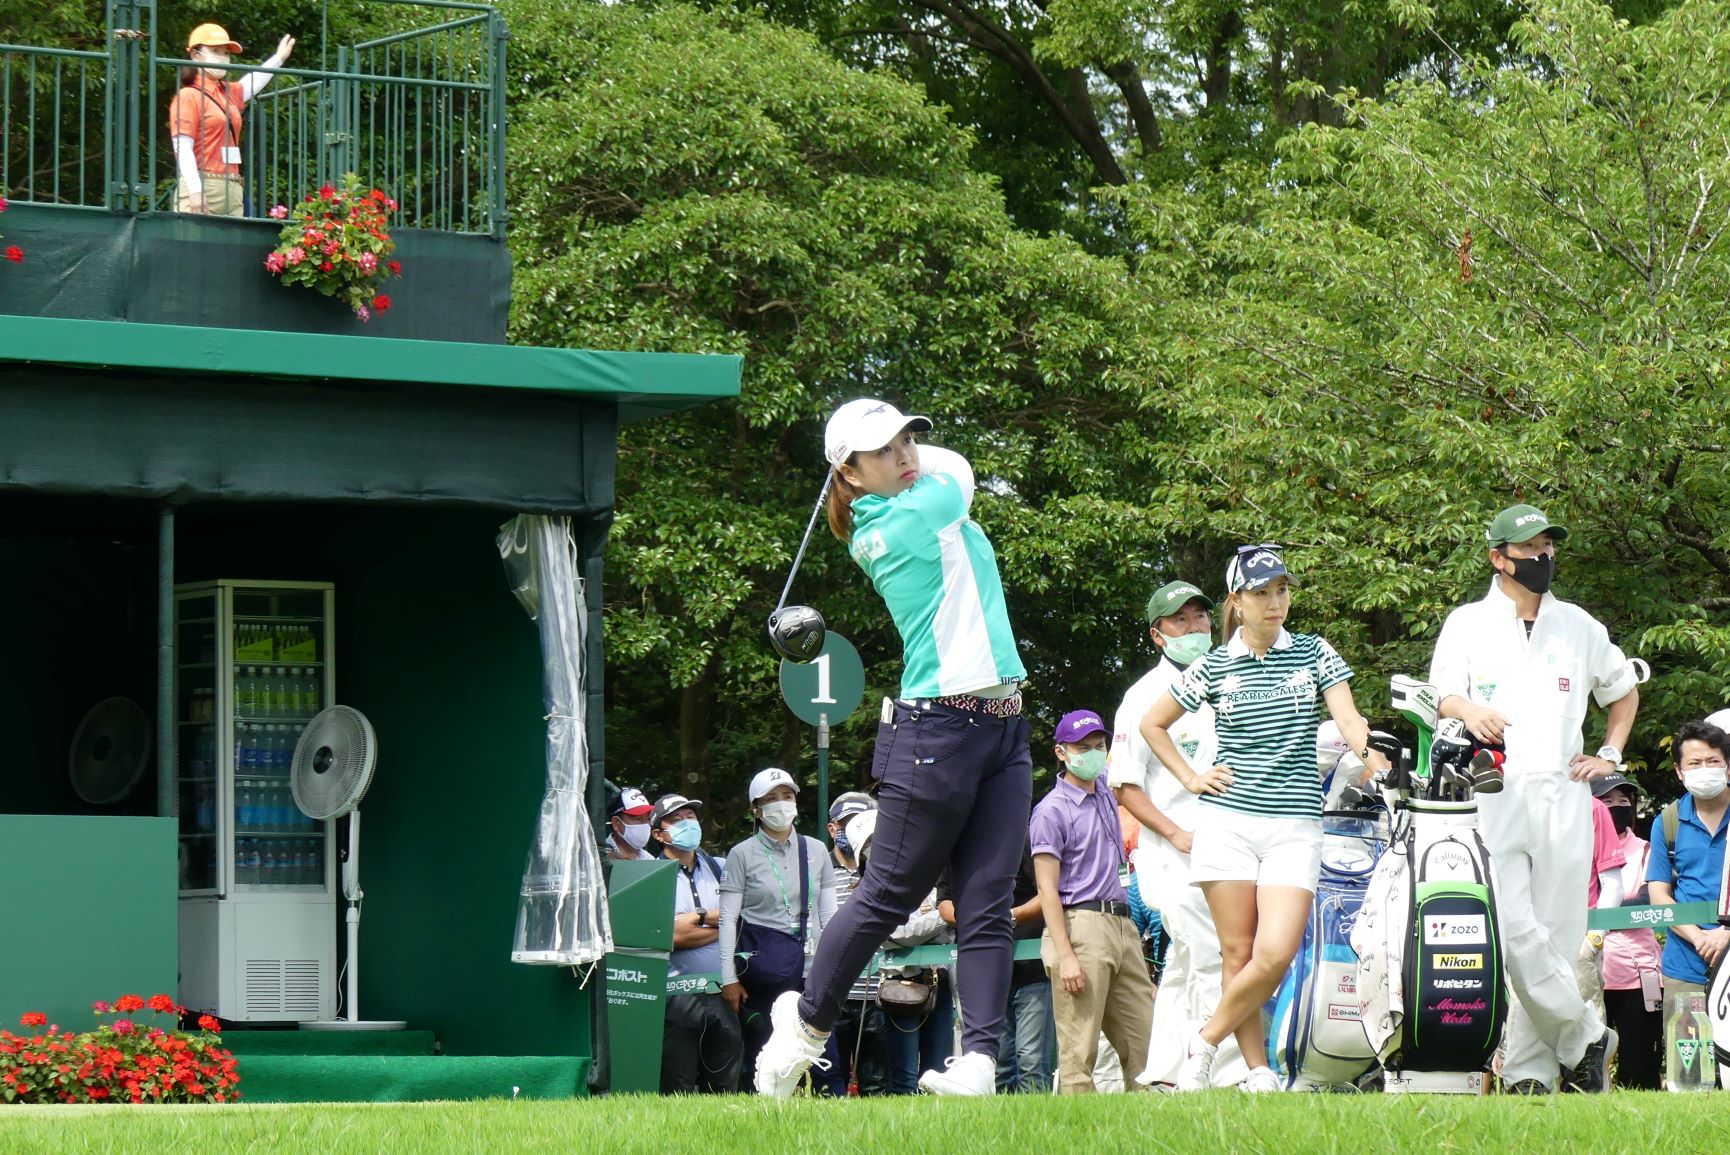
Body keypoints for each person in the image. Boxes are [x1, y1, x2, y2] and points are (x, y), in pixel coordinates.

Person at [754, 398, 1032, 1099]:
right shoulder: (907, 517)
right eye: (883, 449)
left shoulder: (910, 502)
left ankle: (979, 1063)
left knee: (987, 901)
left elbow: (939, 467)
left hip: (1003, 727)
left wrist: (877, 456)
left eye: (908, 439)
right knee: (887, 895)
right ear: (848, 473)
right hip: (936, 732)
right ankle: (802, 1030)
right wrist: (889, 463)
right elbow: (958, 468)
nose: (906, 454)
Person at [1140, 544, 1388, 1092]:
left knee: (1274, 952)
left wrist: (1378, 765)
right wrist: (1190, 778)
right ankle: (1257, 1072)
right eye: (1261, 593)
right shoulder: (1212, 666)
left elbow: (1349, 721)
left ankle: (1203, 1040)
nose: (1275, 603)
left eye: (1281, 591)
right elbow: (1153, 725)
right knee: (1237, 953)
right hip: (1227, 823)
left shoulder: (1313, 652)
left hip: (1294, 825)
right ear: (1237, 601)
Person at [1429, 503, 1638, 1095]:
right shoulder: (1467, 623)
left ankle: (1530, 1076)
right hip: (1492, 788)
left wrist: (1610, 755)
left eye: (1548, 546)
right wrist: (1471, 710)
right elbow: (1442, 696)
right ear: (1498, 558)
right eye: (1529, 548)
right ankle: (1586, 1035)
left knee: (1558, 937)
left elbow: (1622, 693)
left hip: (1565, 791)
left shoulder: (1579, 624)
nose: (1543, 557)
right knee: (1513, 930)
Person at [1108, 579, 1245, 1088]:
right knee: (1214, 953)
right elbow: (1125, 786)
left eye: (1200, 617)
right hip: (1172, 852)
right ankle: (1228, 1074)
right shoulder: (1143, 697)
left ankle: (1165, 1073)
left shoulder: (1231, 678)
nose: (1194, 628)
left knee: (1187, 960)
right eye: (1180, 620)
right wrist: (1176, 833)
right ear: (1158, 634)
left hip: (1232, 844)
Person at [1031, 710, 1153, 1093]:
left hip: (1123, 923)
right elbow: (1047, 890)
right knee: (1079, 1052)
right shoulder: (1051, 810)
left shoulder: (1105, 787)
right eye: (1082, 748)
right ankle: (1077, 1125)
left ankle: (1152, 1122)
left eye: (1099, 746)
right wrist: (1065, 955)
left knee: (1146, 1046)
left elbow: (1134, 751)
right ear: (1061, 752)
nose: (1094, 754)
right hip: (1079, 925)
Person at [720, 768, 837, 1081]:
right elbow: (728, 919)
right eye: (771, 798)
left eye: (787, 795)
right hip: (765, 971)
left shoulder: (816, 850)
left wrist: (835, 966)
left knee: (824, 1059)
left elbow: (829, 915)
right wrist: (728, 978)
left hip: (813, 970)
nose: (781, 803)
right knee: (766, 1056)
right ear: (756, 809)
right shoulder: (741, 854)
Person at [938, 837, 1053, 1093]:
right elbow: (944, 904)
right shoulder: (955, 847)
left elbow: (1047, 893)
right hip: (983, 976)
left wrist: (1007, 917)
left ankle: (1038, 1118)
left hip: (1030, 969)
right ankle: (1001, 1118)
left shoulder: (1018, 839)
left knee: (1031, 1061)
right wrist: (978, 919)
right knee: (995, 1064)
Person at [649, 792, 740, 1094]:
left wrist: (695, 918)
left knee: (724, 1088)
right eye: (676, 820)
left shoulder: (720, 867)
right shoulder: (651, 876)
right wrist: (720, 922)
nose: (687, 823)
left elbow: (740, 917)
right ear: (658, 835)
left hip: (721, 993)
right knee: (678, 1088)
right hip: (675, 996)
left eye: (690, 816)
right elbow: (671, 936)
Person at [168, 24, 295, 216]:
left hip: (233, 187)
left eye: (226, 52)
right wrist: (195, 191)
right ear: (195, 55)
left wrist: (278, 58)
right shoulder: (188, 96)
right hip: (203, 186)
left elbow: (252, 82)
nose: (222, 57)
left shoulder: (227, 93)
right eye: (215, 51)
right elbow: (183, 147)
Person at [814, 792, 891, 1097]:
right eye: (848, 823)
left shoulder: (882, 871)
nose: (856, 829)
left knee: (877, 1086)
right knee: (831, 1082)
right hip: (834, 995)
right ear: (832, 829)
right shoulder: (819, 871)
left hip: (877, 995)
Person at [1647, 721, 1730, 1001]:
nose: (1704, 769)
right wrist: (1699, 938)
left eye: (1713, 761)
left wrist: (1727, 933)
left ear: (1728, 766)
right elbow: (1659, 896)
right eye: (1694, 763)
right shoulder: (1668, 822)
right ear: (1679, 771)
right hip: (1686, 969)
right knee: (1685, 1032)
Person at [1594, 772, 1662, 1090]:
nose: (1616, 806)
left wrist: (1597, 910)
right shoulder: (1576, 847)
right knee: (1588, 1072)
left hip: (1638, 974)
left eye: (1623, 800)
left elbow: (1648, 902)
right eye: (1607, 800)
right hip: (1589, 970)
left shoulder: (1645, 850)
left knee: (1640, 1072)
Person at [606, 787, 657, 861]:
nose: (645, 825)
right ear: (616, 823)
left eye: (648, 819)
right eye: (638, 819)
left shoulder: (649, 860)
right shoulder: (599, 856)